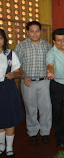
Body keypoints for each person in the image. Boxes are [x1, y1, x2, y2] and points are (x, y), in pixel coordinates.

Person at [15, 21, 52, 145]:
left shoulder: (47, 46)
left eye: (37, 31)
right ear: (27, 32)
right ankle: (32, 132)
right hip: (28, 82)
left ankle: (45, 132)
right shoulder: (21, 46)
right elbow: (17, 65)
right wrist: (23, 76)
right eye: (32, 31)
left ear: (40, 31)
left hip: (44, 82)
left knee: (46, 108)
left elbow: (51, 63)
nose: (35, 33)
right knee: (30, 108)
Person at [0, 29, 24, 158]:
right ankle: (1, 145)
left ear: (4, 40)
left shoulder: (10, 54)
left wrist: (13, 74)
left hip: (8, 89)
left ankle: (9, 147)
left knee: (9, 119)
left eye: (0, 38)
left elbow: (18, 70)